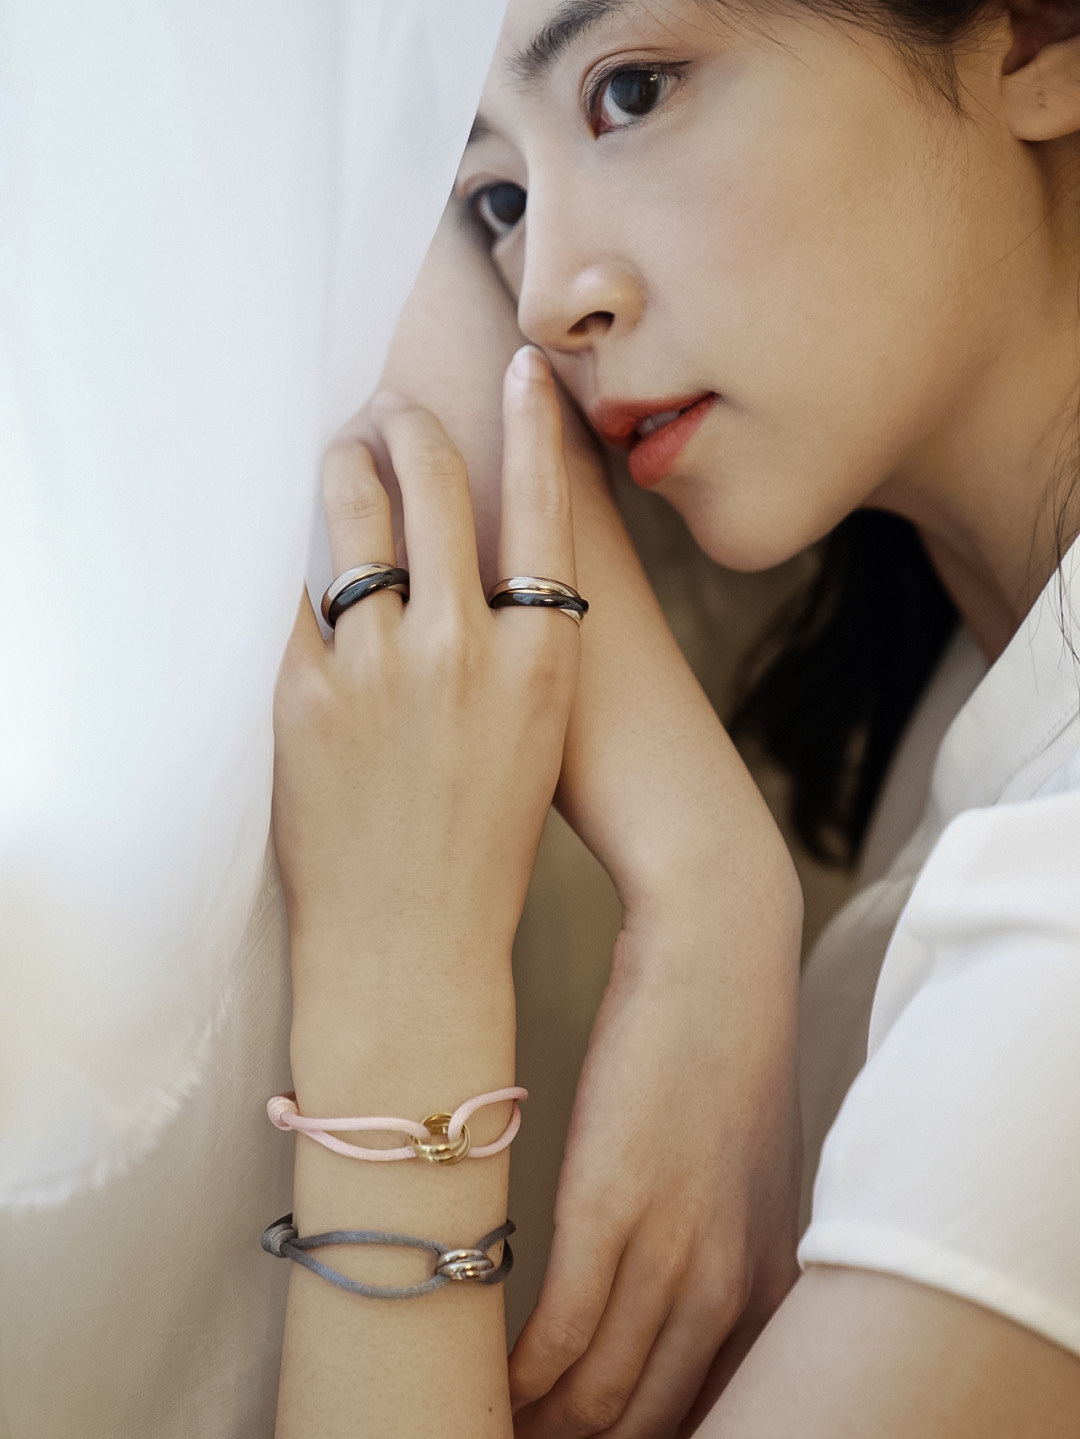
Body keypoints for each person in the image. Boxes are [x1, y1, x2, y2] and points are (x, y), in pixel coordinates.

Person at [267, 0, 1080, 1434]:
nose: (539, 301)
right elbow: (298, 147)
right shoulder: (963, 663)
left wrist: (403, 1001)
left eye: (633, 91)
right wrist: (704, 870)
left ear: (1031, 36)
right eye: (497, 201)